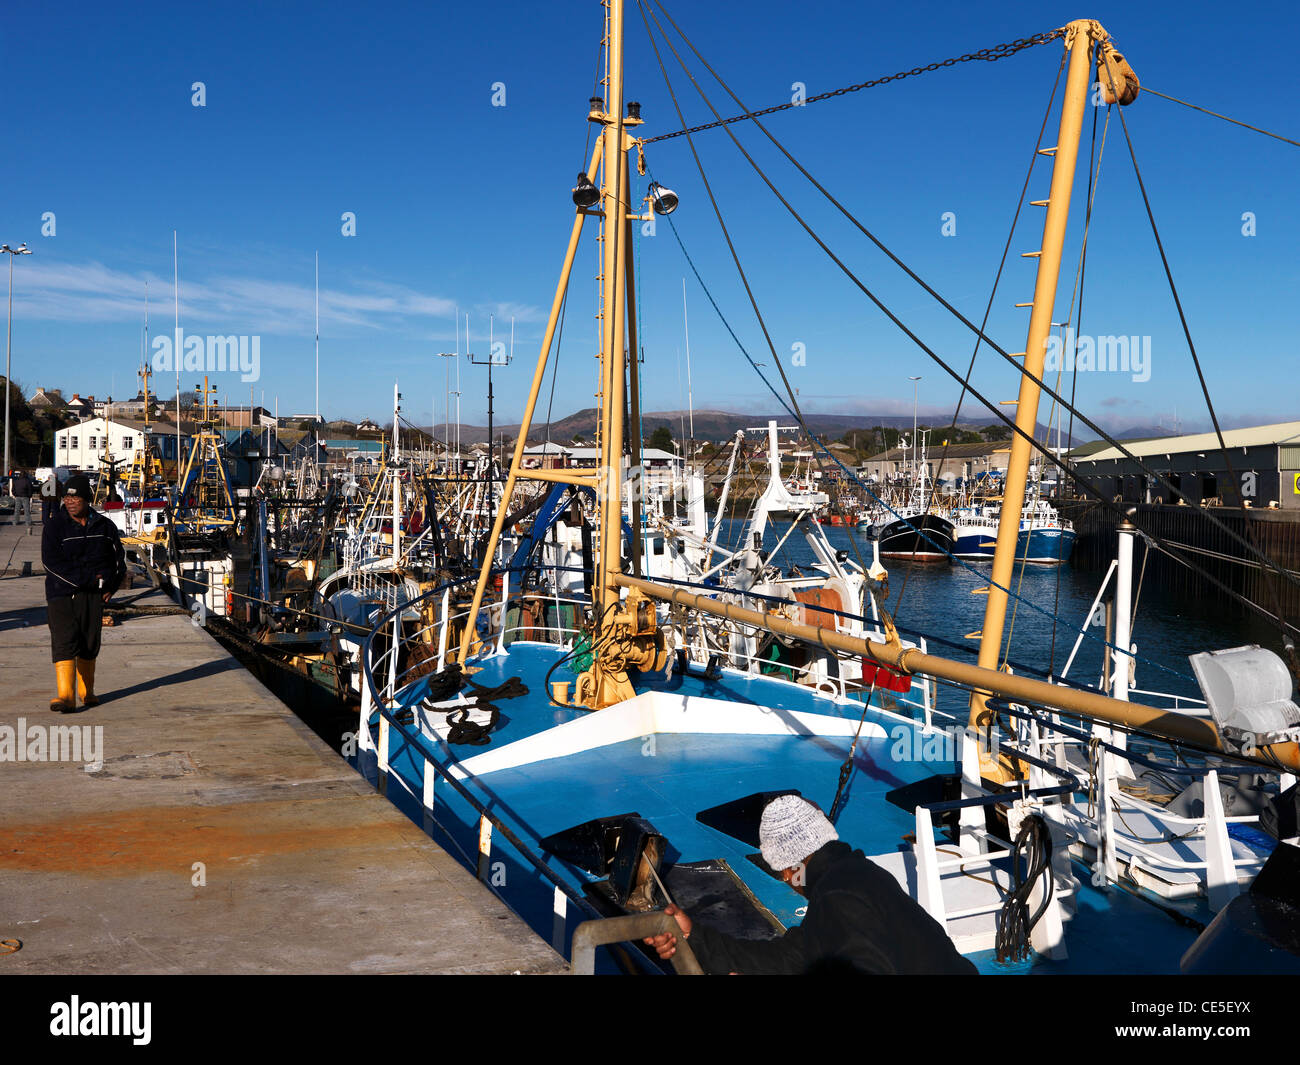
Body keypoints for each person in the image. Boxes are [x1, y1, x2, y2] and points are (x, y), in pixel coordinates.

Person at [644, 795, 978, 975]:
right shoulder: (858, 877)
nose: (787, 883)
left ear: (792, 868)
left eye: (782, 873)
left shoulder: (839, 898)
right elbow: (794, 955)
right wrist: (694, 935)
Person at [42, 473, 126, 712]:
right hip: (61, 593)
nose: (70, 502)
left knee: (90, 643)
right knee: (64, 640)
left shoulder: (105, 526)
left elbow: (118, 559)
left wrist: (111, 585)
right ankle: (66, 696)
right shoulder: (54, 526)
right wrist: (85, 580)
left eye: (76, 498)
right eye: (67, 498)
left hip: (94, 596)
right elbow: (50, 563)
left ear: (87, 499)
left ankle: (86, 692)